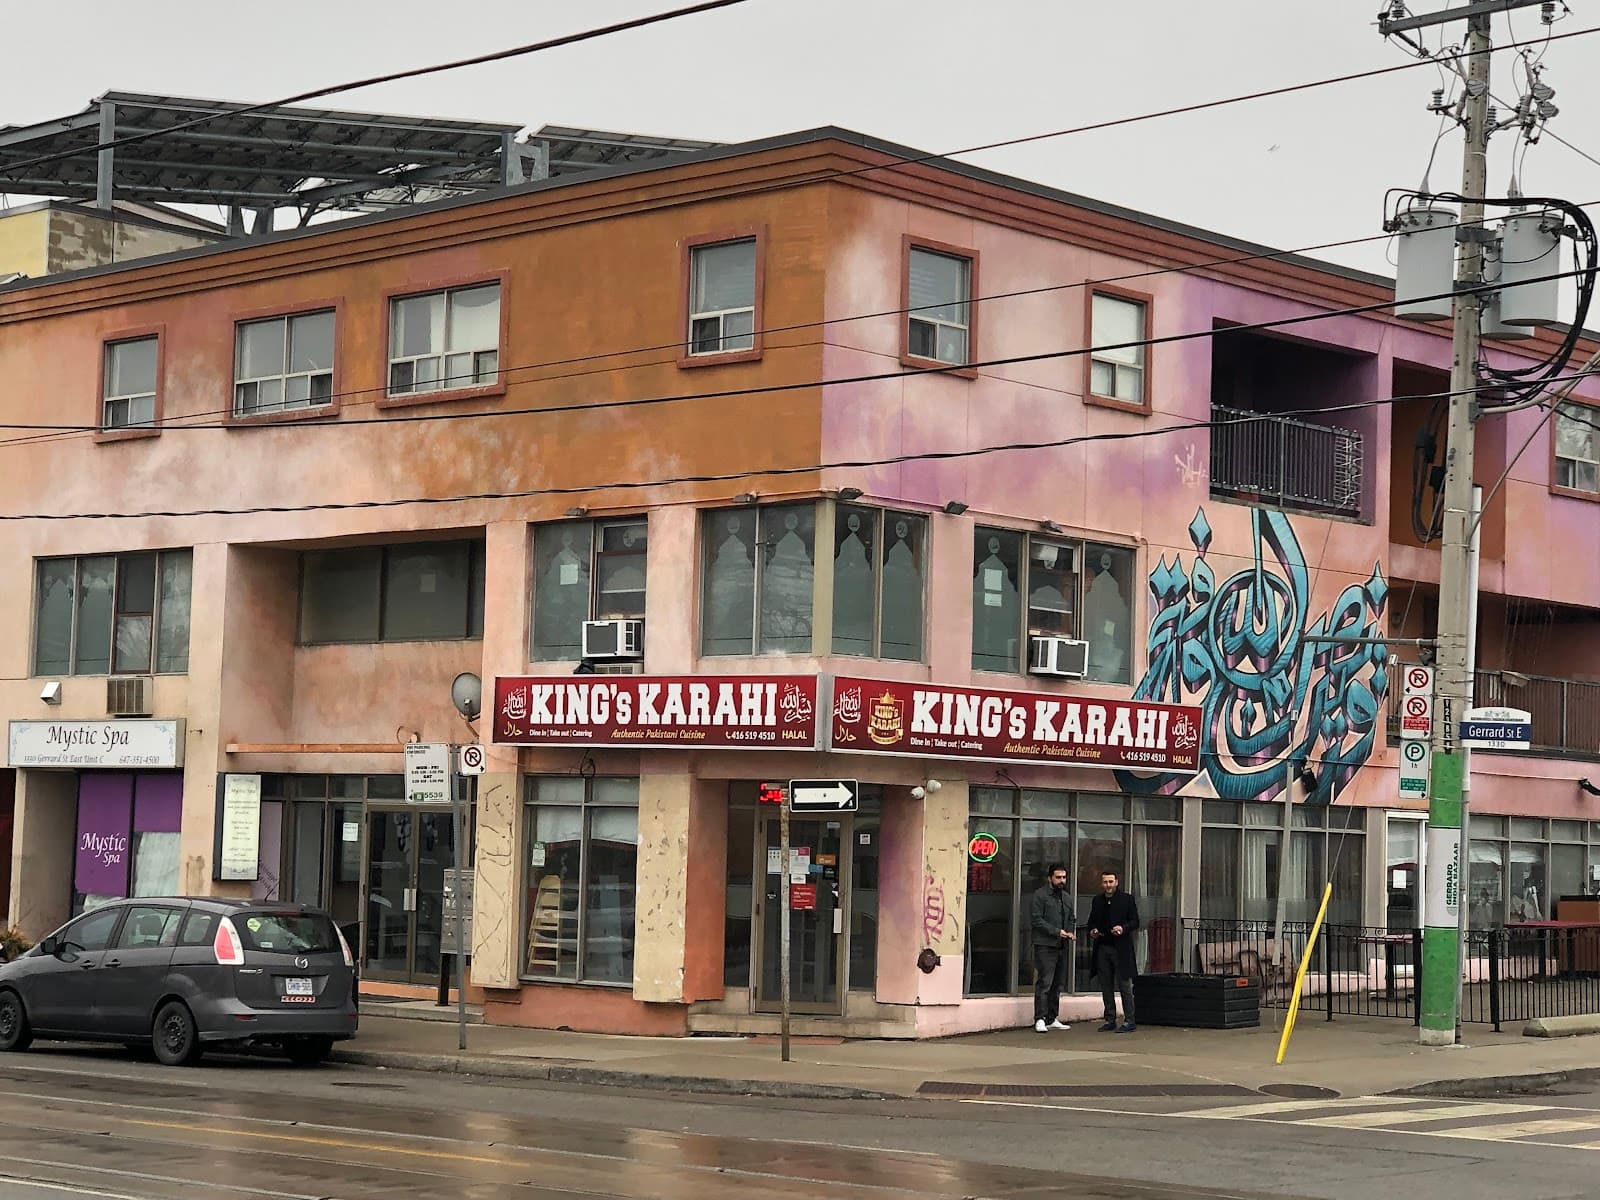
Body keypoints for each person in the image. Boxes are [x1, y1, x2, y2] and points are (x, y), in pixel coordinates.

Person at [1088, 869, 1140, 1033]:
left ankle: (1129, 1020)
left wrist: (1123, 928)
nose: (1108, 885)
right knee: (1106, 985)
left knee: (1124, 985)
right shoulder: (1097, 900)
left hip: (1121, 949)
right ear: (1101, 883)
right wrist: (1093, 931)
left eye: (1111, 882)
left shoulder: (1127, 899)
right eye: (1105, 882)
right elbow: (1091, 922)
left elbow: (1135, 921)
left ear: (1117, 882)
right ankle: (1110, 1019)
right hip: (1103, 947)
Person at [1028, 862, 1076, 1032]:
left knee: (1058, 984)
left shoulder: (1067, 897)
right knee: (1045, 983)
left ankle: (1052, 1017)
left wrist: (1069, 932)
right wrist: (1057, 931)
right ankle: (1039, 1018)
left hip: (1062, 945)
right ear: (1050, 878)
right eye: (1058, 877)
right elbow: (1036, 920)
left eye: (1063, 877)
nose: (1061, 881)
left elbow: (1072, 917)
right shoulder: (1040, 895)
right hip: (1045, 945)